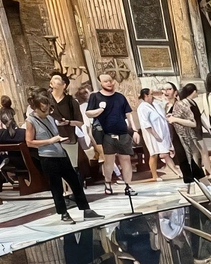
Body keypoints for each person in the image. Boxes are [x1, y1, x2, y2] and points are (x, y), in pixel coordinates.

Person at [27, 93, 97, 222]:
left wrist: (59, 139)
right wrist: (50, 141)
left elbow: (55, 134)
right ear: (35, 108)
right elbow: (29, 142)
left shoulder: (50, 118)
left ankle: (86, 209)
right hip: (47, 157)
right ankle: (63, 213)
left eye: (48, 109)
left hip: (61, 153)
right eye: (43, 110)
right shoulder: (31, 121)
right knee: (56, 186)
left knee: (75, 182)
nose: (46, 112)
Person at [84, 71, 136, 191]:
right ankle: (108, 182)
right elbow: (88, 113)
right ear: (100, 83)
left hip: (122, 132)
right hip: (105, 133)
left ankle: (128, 185)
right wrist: (99, 110)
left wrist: (134, 130)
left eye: (110, 81)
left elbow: (128, 113)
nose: (109, 83)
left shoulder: (120, 97)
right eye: (106, 81)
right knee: (109, 160)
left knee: (126, 159)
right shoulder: (95, 96)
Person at [163, 82, 205, 186]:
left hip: (186, 138)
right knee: (183, 163)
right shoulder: (166, 106)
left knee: (190, 164)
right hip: (175, 138)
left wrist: (175, 119)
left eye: (169, 89)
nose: (166, 92)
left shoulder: (181, 104)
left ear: (175, 92)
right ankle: (194, 187)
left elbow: (193, 123)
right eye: (164, 89)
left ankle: (205, 186)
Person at [137, 88, 175, 182]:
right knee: (153, 154)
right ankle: (154, 175)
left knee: (164, 153)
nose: (153, 96)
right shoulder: (142, 108)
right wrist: (155, 135)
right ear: (146, 95)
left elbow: (163, 110)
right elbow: (145, 123)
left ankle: (177, 172)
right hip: (151, 134)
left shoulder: (155, 104)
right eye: (151, 94)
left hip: (161, 133)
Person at [48, 72, 85, 167]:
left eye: (57, 79)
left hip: (68, 139)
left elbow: (80, 123)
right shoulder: (46, 101)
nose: (53, 81)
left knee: (72, 167)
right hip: (49, 141)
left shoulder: (71, 102)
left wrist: (68, 122)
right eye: (52, 79)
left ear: (64, 85)